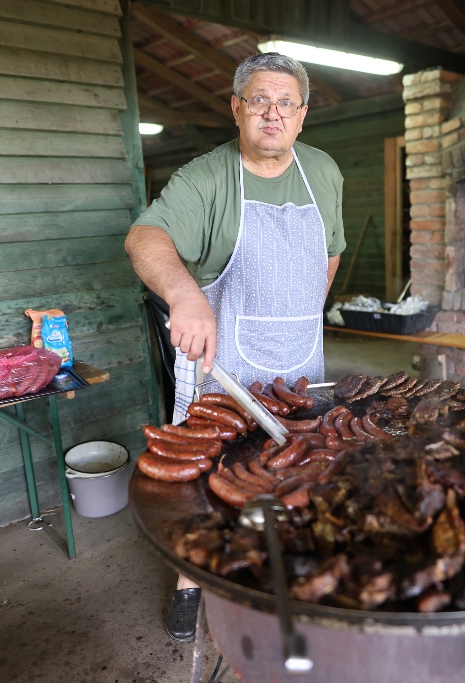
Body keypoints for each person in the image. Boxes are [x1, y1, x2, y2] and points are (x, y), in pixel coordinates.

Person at [124, 52, 346, 641]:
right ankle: (191, 583)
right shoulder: (206, 177)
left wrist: (301, 308)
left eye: (286, 104)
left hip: (301, 366)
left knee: (297, 473)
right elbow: (145, 238)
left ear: (302, 115)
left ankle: (290, 576)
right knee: (206, 482)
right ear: (237, 109)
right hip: (226, 367)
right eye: (259, 101)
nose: (272, 115)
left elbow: (331, 253)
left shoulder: (323, 171)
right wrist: (185, 296)